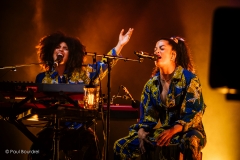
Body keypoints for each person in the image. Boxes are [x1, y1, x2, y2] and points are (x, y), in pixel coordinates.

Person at [28, 28, 134, 160]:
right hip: (53, 128)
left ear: (71, 53)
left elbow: (104, 64)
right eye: (57, 47)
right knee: (36, 151)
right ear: (50, 51)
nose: (61, 50)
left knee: (91, 146)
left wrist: (120, 44)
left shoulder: (83, 73)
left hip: (78, 129)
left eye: (65, 48)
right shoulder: (42, 78)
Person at [113, 36, 207, 160]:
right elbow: (147, 118)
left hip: (188, 131)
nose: (157, 52)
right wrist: (141, 133)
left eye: (162, 49)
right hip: (165, 132)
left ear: (173, 55)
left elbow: (194, 114)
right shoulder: (151, 85)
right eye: (155, 49)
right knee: (120, 146)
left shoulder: (190, 79)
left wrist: (173, 130)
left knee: (191, 142)